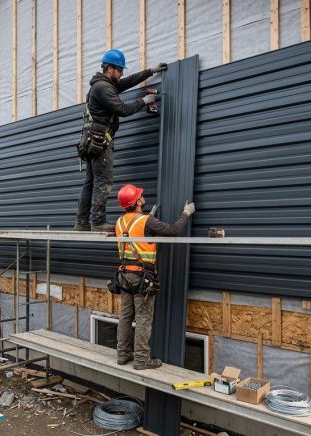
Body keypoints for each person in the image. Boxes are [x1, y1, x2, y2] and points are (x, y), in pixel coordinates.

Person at [75, 49, 168, 233]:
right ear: (110, 68)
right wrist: (144, 100)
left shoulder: (103, 84)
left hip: (92, 141)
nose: (122, 73)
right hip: (100, 142)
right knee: (103, 181)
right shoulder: (103, 87)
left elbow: (125, 83)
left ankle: (82, 223)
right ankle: (98, 223)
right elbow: (123, 109)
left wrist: (150, 71)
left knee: (91, 182)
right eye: (119, 69)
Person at [112, 184, 195, 370]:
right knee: (143, 317)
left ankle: (122, 355)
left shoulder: (119, 222)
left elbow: (135, 230)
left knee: (125, 315)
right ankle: (141, 360)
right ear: (137, 202)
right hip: (142, 277)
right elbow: (174, 230)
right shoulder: (147, 221)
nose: (143, 196)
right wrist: (186, 214)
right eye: (140, 195)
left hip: (124, 275)